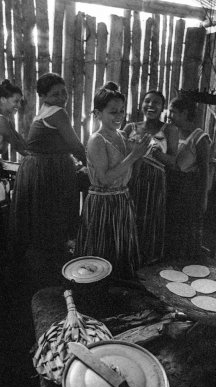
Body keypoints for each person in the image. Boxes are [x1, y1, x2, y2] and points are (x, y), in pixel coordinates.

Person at [76, 81, 151, 279]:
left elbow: (129, 172)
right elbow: (106, 178)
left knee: (121, 253)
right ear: (98, 114)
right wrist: (134, 156)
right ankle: (97, 296)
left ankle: (121, 295)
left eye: (121, 111)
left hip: (121, 200)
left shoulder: (121, 136)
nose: (119, 116)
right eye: (113, 112)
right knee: (101, 255)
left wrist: (141, 153)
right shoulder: (97, 140)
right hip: (103, 203)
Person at [9, 72, 86, 259]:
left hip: (37, 169)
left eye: (64, 93)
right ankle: (54, 262)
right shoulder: (57, 112)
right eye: (55, 94)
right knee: (53, 217)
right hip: (48, 171)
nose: (62, 98)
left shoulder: (44, 110)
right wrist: (93, 164)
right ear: (42, 96)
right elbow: (75, 145)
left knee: (41, 222)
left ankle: (43, 260)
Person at [123, 90, 179, 265]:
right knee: (130, 217)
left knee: (150, 219)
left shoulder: (169, 129)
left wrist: (156, 153)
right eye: (147, 101)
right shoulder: (130, 128)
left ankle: (148, 263)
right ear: (141, 104)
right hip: (131, 179)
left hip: (155, 183)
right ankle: (129, 261)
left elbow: (173, 161)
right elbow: (120, 155)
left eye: (156, 103)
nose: (151, 105)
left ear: (162, 107)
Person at [165, 93, 211, 261]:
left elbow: (205, 170)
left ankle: (186, 264)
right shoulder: (171, 132)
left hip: (188, 189)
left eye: (173, 112)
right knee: (171, 226)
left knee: (186, 227)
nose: (169, 116)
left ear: (185, 113)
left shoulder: (199, 137)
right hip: (171, 185)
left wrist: (203, 197)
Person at [0, 80, 27, 262]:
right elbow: (19, 146)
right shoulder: (1, 120)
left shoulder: (5, 119)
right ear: (2, 99)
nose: (18, 105)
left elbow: (19, 140)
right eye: (15, 101)